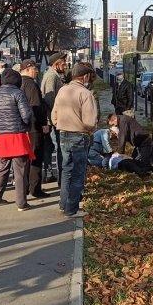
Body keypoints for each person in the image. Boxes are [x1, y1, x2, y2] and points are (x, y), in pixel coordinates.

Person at [51, 62, 98, 218]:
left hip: (63, 134)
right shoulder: (85, 94)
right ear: (85, 76)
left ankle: (63, 204)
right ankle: (71, 208)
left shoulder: (62, 90)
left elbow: (54, 116)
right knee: (78, 173)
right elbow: (90, 122)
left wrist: (60, 125)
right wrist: (91, 130)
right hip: (80, 135)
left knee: (66, 171)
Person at [0, 68, 34, 210]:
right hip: (16, 134)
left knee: (3, 167)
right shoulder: (17, 93)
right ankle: (21, 203)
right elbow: (26, 115)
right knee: (19, 169)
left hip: (1, 134)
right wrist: (27, 124)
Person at [20, 58, 50, 198]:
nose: (37, 71)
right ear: (27, 69)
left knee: (26, 158)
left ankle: (24, 187)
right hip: (34, 126)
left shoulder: (19, 83)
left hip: (23, 126)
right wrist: (44, 123)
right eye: (35, 69)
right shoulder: (31, 85)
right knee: (36, 157)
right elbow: (36, 106)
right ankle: (35, 188)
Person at [41, 51, 67, 183]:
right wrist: (58, 114)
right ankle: (61, 178)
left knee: (51, 147)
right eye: (63, 62)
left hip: (53, 117)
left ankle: (50, 173)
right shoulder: (51, 76)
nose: (65, 64)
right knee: (60, 148)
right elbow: (49, 98)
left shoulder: (54, 75)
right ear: (57, 63)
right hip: (54, 119)